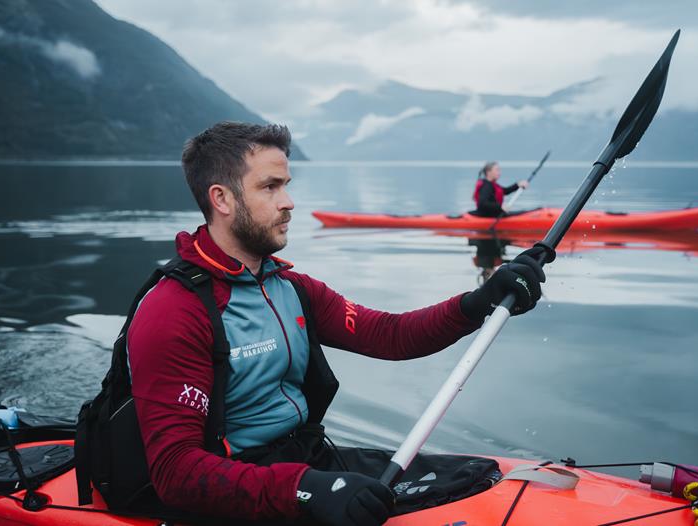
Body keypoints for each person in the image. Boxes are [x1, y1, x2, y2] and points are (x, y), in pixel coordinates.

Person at [101, 122, 550, 525]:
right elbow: (176, 473)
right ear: (221, 198)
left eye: (287, 185)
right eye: (270, 187)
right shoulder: (174, 311)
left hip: (303, 460)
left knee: (474, 477)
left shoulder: (289, 287)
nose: (289, 202)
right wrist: (306, 490)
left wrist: (480, 302)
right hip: (238, 486)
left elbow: (390, 335)